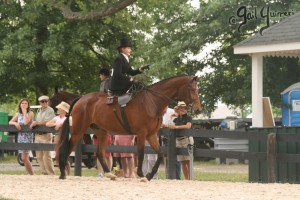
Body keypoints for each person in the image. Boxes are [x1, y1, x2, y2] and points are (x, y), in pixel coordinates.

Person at [30, 95, 56, 175]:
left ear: (47, 102)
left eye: (46, 101)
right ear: (40, 102)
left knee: (47, 155)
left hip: (46, 135)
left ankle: (51, 173)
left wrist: (36, 123)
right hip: (38, 135)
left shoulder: (50, 110)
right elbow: (35, 121)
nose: (44, 103)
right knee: (39, 156)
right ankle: (44, 172)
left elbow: (47, 122)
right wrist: (33, 123)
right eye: (42, 101)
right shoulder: (38, 111)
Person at [9, 98, 35, 175]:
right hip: (20, 137)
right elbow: (10, 122)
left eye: (25, 103)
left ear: (28, 105)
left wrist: (24, 112)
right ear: (20, 105)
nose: (24, 105)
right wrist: (15, 123)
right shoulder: (18, 114)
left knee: (24, 158)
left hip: (28, 137)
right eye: (22, 103)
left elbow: (26, 122)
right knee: (23, 158)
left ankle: (32, 174)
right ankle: (30, 174)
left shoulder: (30, 113)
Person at [169, 101, 193, 180]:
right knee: (182, 161)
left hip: (186, 139)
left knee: (188, 160)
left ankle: (190, 178)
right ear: (178, 110)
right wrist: (171, 117)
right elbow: (170, 125)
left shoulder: (188, 118)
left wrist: (176, 127)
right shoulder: (176, 119)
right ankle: (186, 178)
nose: (183, 110)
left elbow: (188, 126)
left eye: (184, 108)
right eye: (181, 109)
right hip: (178, 140)